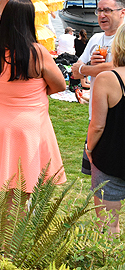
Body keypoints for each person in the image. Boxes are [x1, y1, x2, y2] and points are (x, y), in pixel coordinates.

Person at [0, 0, 67, 207]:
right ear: (30, 20)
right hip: (25, 124)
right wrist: (36, 91)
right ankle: (12, 230)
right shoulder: (36, 52)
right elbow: (60, 85)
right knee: (21, 188)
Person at [72, 0, 125, 175]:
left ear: (122, 12)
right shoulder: (96, 39)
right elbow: (75, 70)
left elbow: (118, 66)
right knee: (97, 172)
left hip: (118, 114)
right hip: (95, 115)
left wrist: (86, 69)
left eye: (107, 10)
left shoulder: (122, 39)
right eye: (99, 11)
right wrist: (89, 67)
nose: (102, 15)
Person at [86, 23, 125, 235]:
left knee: (108, 225)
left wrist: (89, 148)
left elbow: (98, 125)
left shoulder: (108, 78)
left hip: (111, 157)